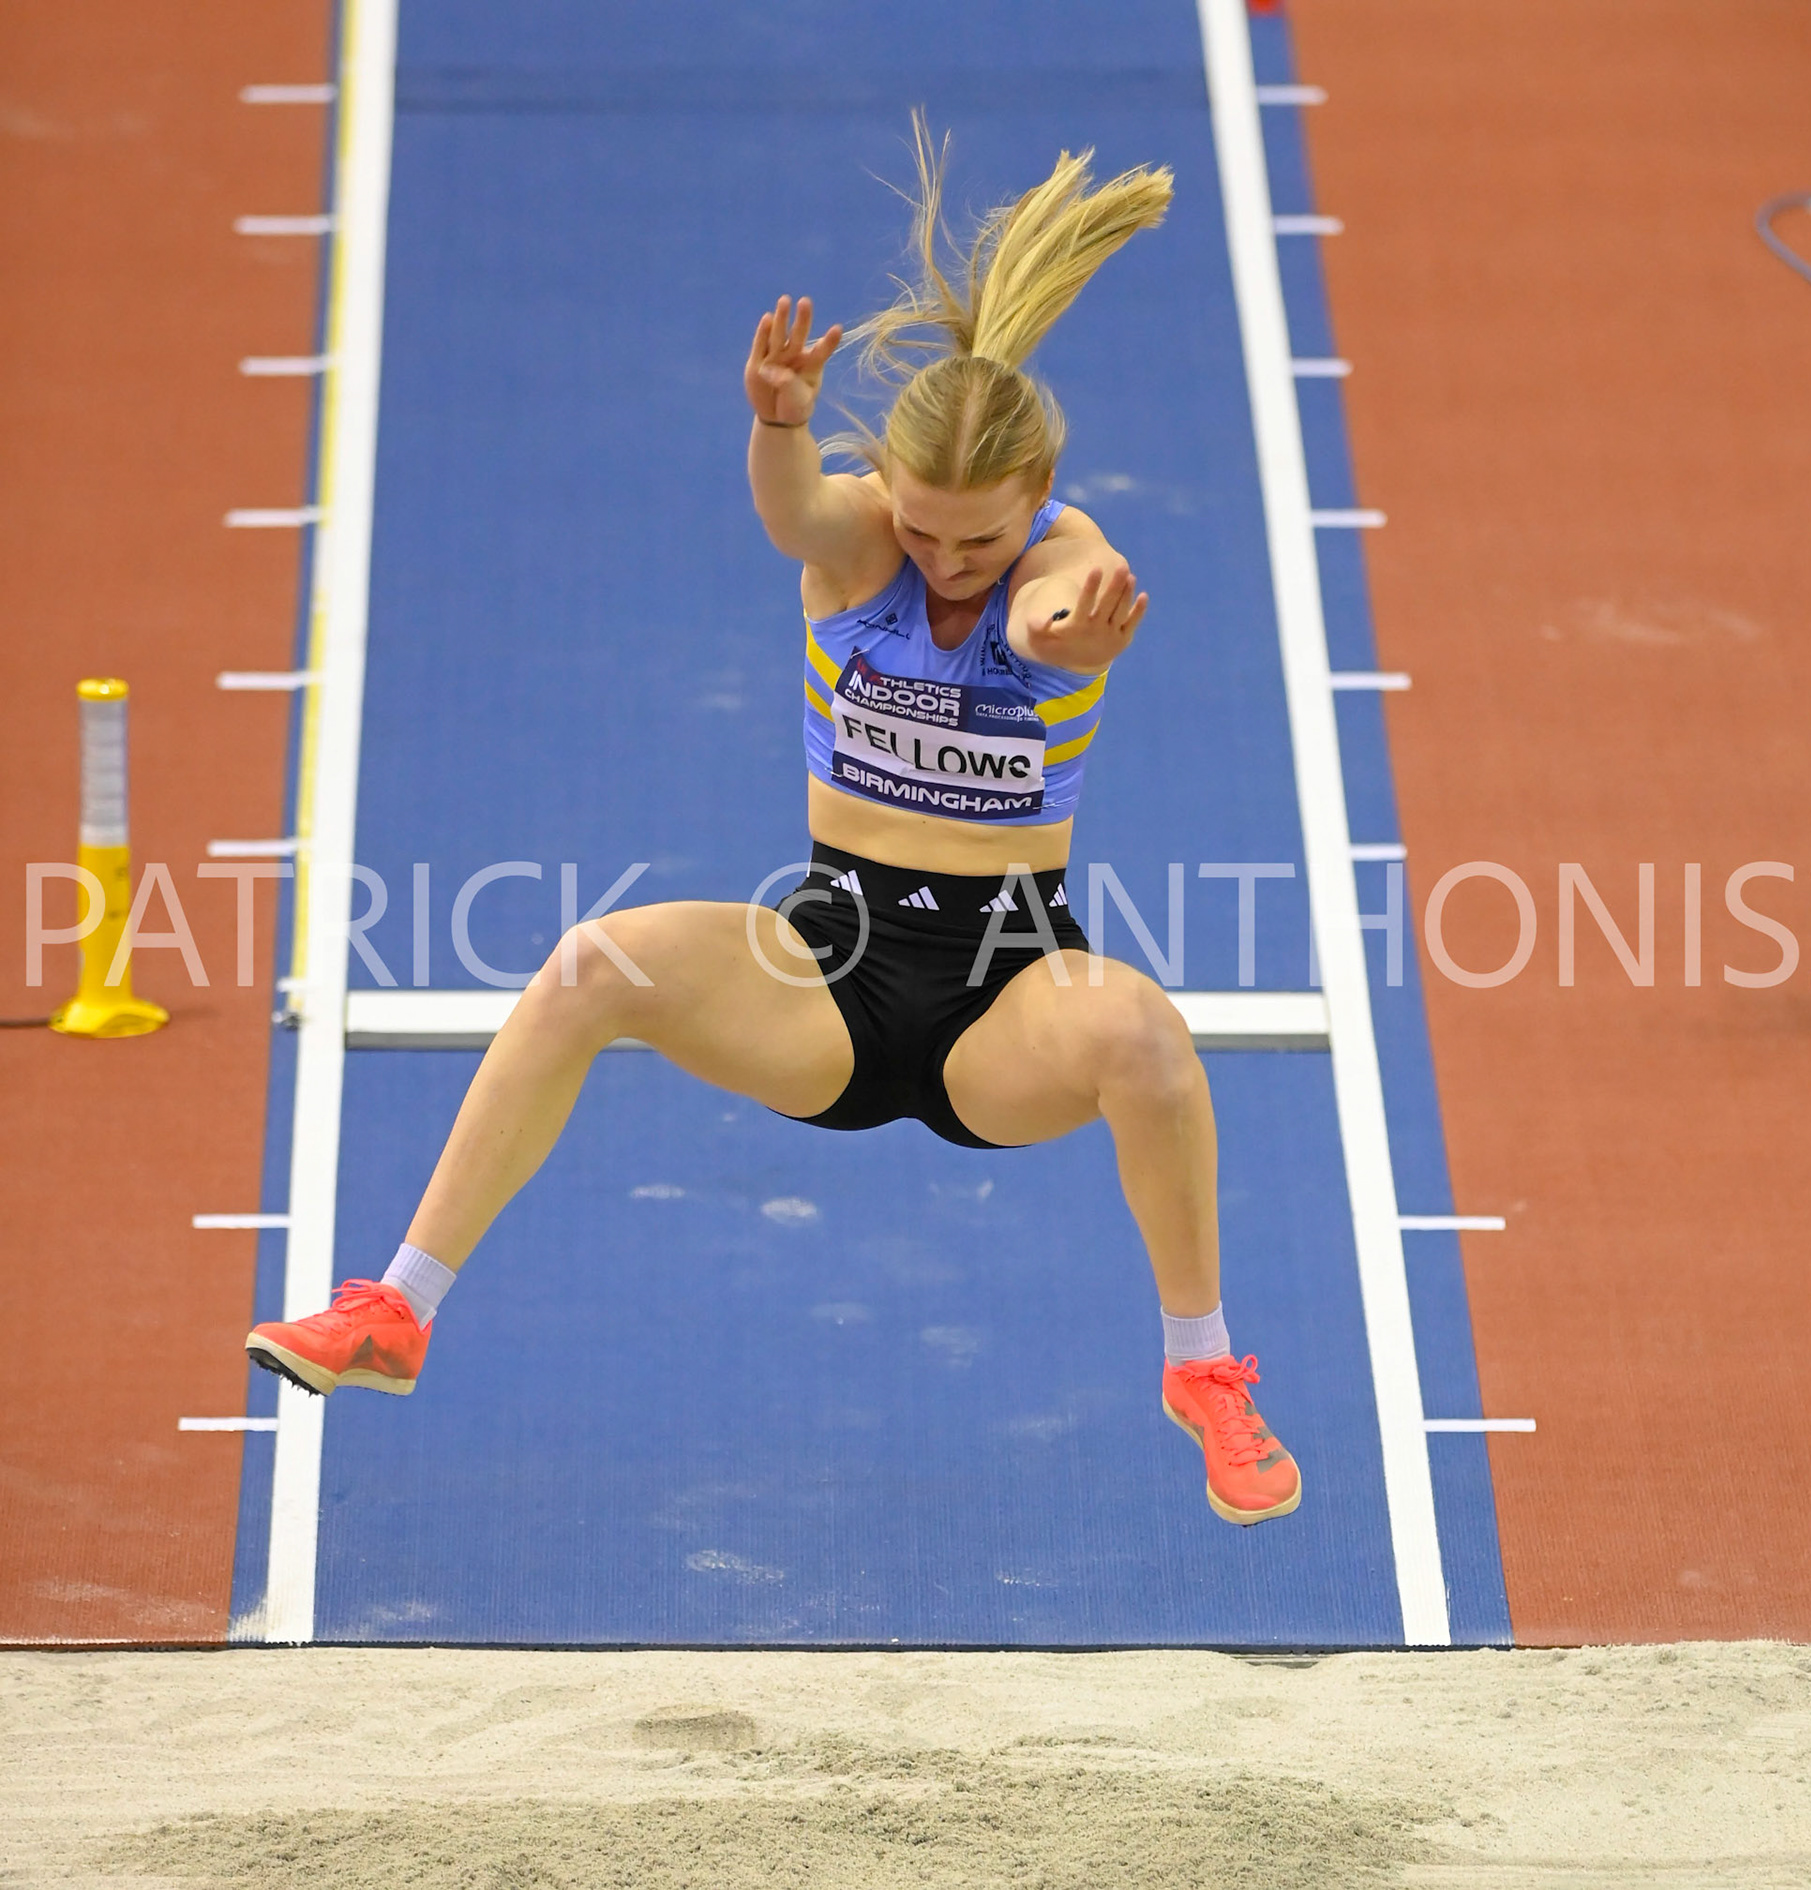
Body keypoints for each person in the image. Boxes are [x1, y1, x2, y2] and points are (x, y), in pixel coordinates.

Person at [247, 121, 1301, 1527]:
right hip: (830, 963)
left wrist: (1068, 632)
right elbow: (796, 507)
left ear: (1035, 505)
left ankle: (1203, 1373)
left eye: (976, 540)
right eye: (923, 528)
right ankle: (397, 1306)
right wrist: (780, 423)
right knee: (589, 967)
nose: (943, 559)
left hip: (1007, 993)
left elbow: (1056, 624)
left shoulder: (1064, 564)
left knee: (1147, 1037)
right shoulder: (859, 535)